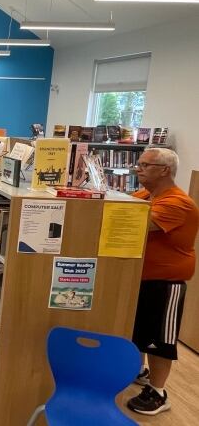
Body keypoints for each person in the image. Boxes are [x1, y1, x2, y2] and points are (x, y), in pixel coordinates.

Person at [127, 148, 199, 416]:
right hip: (143, 278)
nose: (138, 168)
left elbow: (132, 223)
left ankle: (158, 392)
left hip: (165, 284)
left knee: (160, 340)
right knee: (140, 332)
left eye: (145, 165)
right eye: (139, 164)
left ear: (165, 170)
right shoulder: (146, 195)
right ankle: (140, 373)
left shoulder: (177, 202)